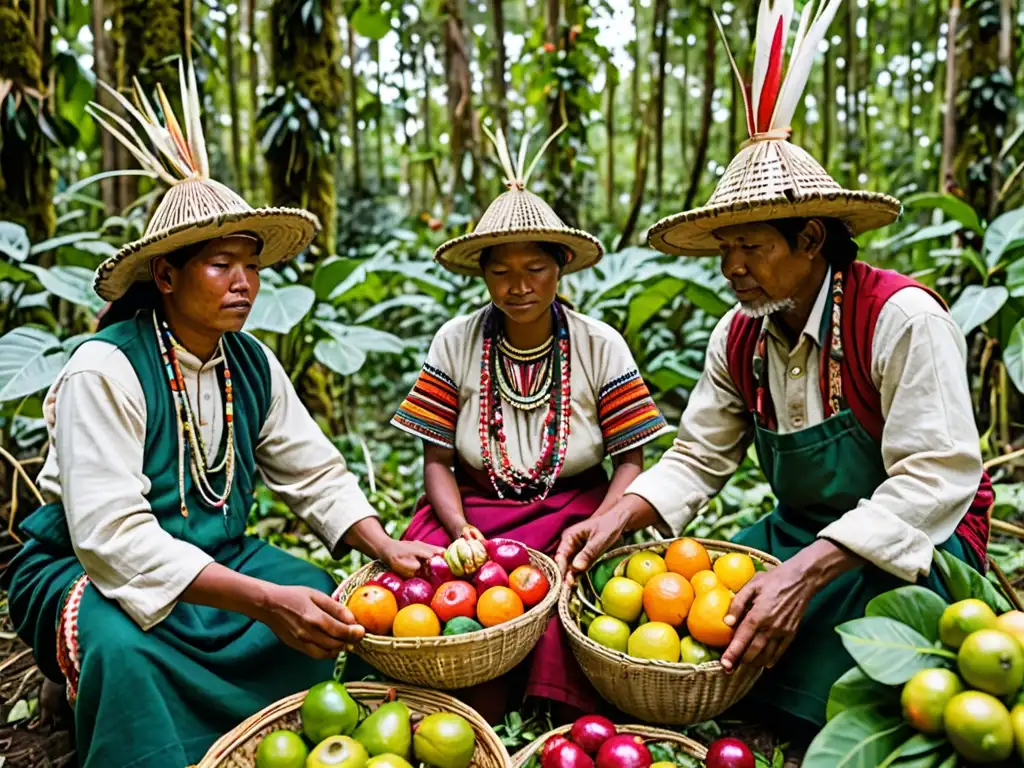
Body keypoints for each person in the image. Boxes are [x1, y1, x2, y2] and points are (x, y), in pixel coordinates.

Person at [554, 0, 992, 737]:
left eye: (750, 247)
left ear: (812, 237)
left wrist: (807, 573)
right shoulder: (740, 337)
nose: (731, 269)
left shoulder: (899, 320)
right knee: (725, 623)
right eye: (725, 248)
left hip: (913, 547)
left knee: (853, 668)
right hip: (798, 533)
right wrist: (617, 517)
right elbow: (698, 455)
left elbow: (934, 478)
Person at [1, 63, 439, 768]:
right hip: (92, 571)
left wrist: (383, 548)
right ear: (166, 276)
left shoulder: (251, 364)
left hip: (220, 561)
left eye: (251, 264)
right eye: (219, 263)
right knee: (124, 648)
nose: (243, 282)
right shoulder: (104, 368)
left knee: (327, 606)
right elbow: (111, 539)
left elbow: (315, 473)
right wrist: (264, 601)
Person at [378, 122, 672, 720]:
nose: (518, 287)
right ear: (481, 274)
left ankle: (543, 702)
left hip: (574, 509)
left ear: (561, 267)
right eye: (500, 271)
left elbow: (632, 460)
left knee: (570, 597)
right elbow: (436, 460)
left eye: (535, 268)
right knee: (433, 602)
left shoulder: (599, 344)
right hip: (469, 508)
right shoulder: (455, 342)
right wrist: (459, 530)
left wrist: (606, 525)